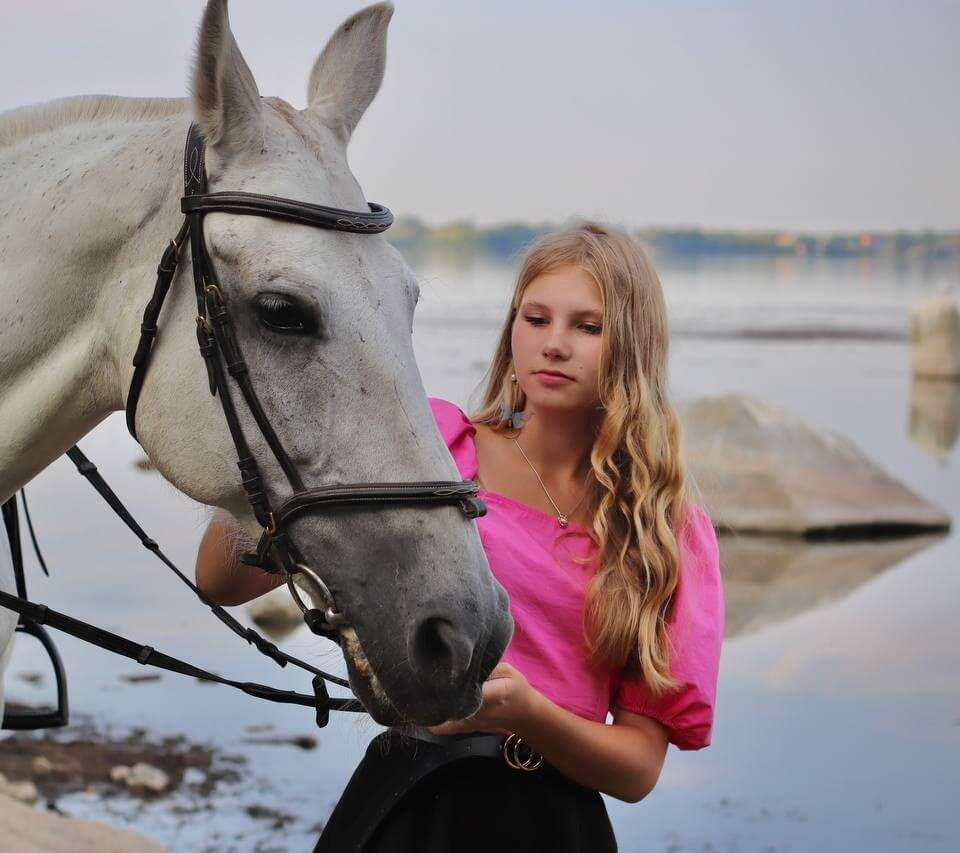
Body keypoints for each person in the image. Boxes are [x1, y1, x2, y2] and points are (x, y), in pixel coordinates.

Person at [195, 221, 725, 851]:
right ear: (512, 329)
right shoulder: (433, 449)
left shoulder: (663, 530)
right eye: (536, 319)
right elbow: (223, 581)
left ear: (632, 345)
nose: (554, 345)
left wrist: (531, 714)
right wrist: (275, 446)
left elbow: (638, 770)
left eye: (589, 327)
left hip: (552, 827)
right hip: (410, 802)